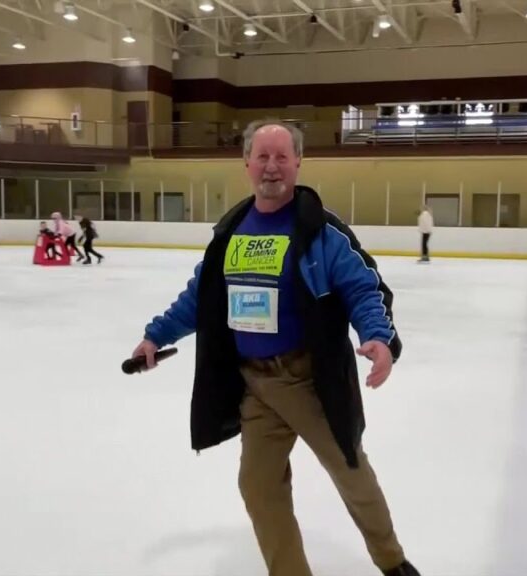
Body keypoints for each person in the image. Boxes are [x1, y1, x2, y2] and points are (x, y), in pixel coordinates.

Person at [129, 119, 420, 576]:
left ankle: (392, 561)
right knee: (258, 485)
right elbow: (200, 298)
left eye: (282, 156)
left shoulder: (320, 232)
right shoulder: (230, 234)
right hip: (255, 385)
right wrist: (155, 337)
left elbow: (364, 289)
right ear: (245, 163)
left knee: (351, 472)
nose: (272, 166)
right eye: (262, 156)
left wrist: (377, 338)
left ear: (299, 162)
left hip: (308, 380)